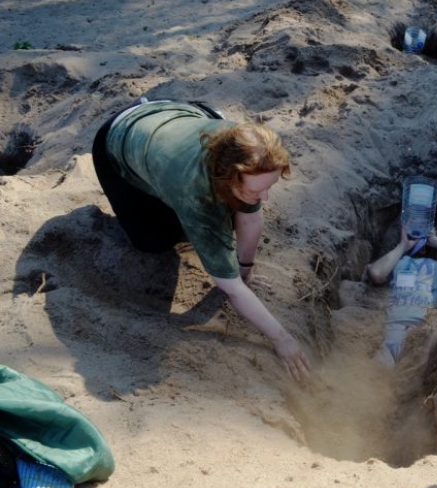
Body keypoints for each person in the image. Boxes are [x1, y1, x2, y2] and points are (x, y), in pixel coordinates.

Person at [92, 99, 311, 380]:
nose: (266, 197)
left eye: (270, 186)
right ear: (229, 176)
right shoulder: (194, 192)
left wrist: (246, 269)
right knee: (154, 241)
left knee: (238, 206)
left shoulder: (249, 148)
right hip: (119, 138)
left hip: (179, 114)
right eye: (260, 189)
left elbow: (251, 218)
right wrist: (282, 338)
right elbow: (229, 288)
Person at [367, 223, 437, 367]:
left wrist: (434, 240)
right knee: (380, 367)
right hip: (395, 328)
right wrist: (403, 246)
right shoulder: (398, 263)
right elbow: (376, 273)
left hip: (424, 329)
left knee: (414, 373)